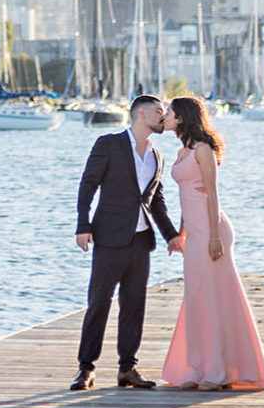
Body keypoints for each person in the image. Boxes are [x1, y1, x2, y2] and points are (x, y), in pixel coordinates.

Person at [159, 94, 264, 390]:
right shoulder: (181, 151)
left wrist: (212, 237)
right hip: (195, 231)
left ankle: (220, 370)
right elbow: (186, 195)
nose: (165, 116)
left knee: (215, 297)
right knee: (196, 297)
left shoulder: (203, 149)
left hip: (213, 231)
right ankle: (197, 368)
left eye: (169, 112)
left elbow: (211, 194)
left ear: (183, 117)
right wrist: (181, 232)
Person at [71, 94, 183, 391]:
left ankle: (127, 368)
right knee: (99, 303)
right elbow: (88, 185)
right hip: (108, 237)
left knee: (134, 306)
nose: (164, 116)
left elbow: (155, 200)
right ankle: (86, 369)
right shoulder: (108, 143)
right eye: (160, 111)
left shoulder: (157, 155)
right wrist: (82, 225)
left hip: (141, 241)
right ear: (141, 114)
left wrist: (171, 235)